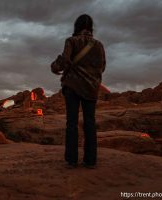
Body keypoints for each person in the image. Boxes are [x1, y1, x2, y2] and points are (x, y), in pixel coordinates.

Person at [51, 14, 106, 169]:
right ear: (90, 28)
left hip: (73, 86)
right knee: (90, 122)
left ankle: (72, 160)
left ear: (77, 26)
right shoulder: (99, 45)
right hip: (91, 87)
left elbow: (63, 61)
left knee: (72, 123)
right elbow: (102, 66)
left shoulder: (72, 41)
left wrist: (54, 67)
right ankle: (90, 160)